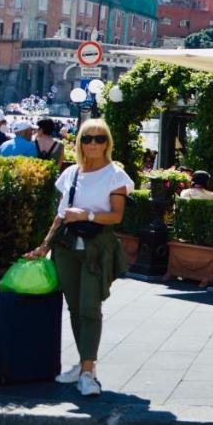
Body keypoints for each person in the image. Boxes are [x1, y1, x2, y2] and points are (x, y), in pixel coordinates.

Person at [23, 119, 132, 397]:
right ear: (79, 142)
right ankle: (85, 365)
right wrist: (44, 245)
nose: (93, 144)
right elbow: (60, 215)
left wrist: (87, 215)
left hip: (98, 247)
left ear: (107, 142)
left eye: (99, 138)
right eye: (87, 139)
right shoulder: (71, 173)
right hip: (68, 247)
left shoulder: (115, 175)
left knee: (89, 308)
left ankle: (87, 371)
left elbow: (117, 216)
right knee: (74, 307)